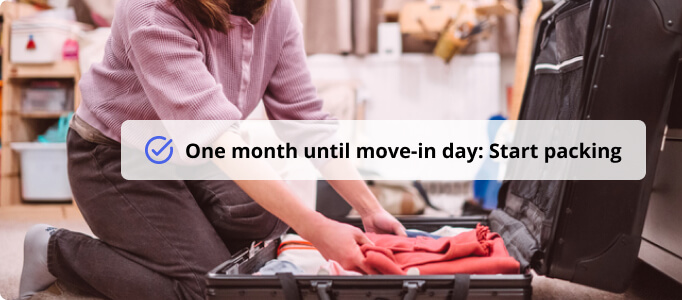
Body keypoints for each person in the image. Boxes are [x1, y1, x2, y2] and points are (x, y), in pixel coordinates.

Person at [18, 0, 406, 299]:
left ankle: (174, 246)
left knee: (267, 223)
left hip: (190, 151)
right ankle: (53, 250)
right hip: (116, 154)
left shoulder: (276, 9)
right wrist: (317, 227)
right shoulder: (152, 12)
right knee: (210, 289)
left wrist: (371, 211)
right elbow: (218, 136)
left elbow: (306, 122)